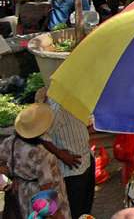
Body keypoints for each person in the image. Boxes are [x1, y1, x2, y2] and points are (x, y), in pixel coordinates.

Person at [0, 103, 71, 219]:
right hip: (39, 197)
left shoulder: (10, 142)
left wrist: (10, 181)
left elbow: (2, 164)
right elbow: (46, 187)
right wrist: (57, 214)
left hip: (21, 193)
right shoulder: (41, 153)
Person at [37, 89, 94, 217]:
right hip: (72, 170)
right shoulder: (58, 106)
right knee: (76, 209)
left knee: (85, 208)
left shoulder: (76, 100)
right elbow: (42, 134)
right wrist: (61, 154)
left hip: (86, 159)